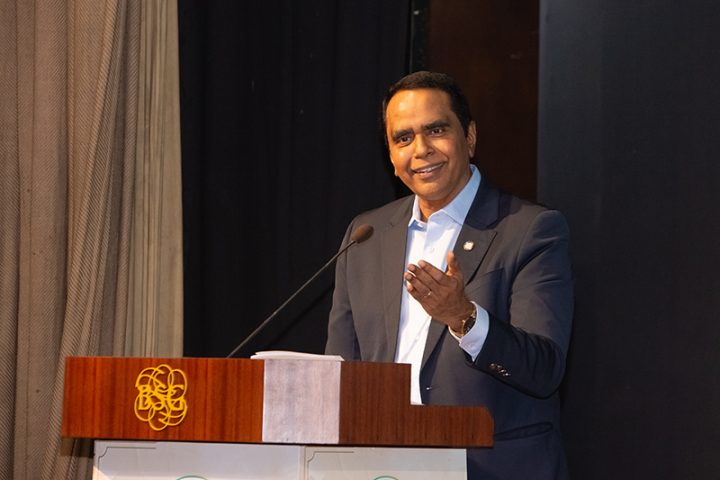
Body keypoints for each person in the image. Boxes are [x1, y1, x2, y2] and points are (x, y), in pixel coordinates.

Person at [326, 71, 573, 479]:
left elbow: (544, 369)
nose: (421, 149)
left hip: (489, 468)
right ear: (391, 157)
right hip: (381, 467)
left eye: (436, 130)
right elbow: (340, 371)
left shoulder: (530, 230)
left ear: (469, 137)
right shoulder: (365, 235)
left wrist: (465, 318)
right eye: (403, 138)